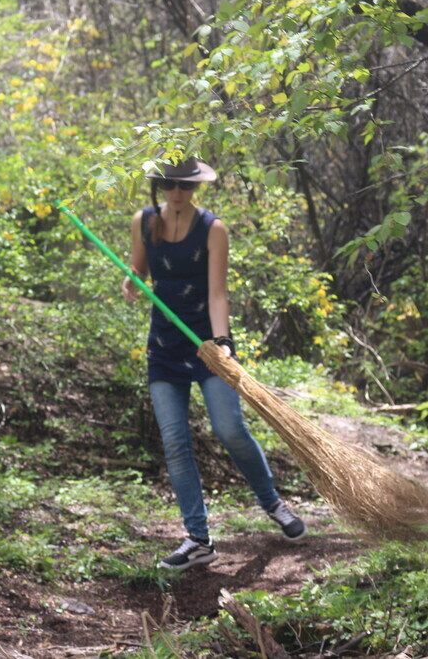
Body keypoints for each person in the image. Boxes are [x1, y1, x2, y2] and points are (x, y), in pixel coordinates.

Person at [122, 156, 306, 571]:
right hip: (163, 347)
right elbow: (138, 269)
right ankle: (198, 539)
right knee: (174, 440)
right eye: (170, 185)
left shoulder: (213, 228)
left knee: (229, 429)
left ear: (196, 187)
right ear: (159, 186)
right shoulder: (144, 221)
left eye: (186, 186)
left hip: (208, 346)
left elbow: (218, 293)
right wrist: (131, 282)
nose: (177, 193)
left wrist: (222, 344)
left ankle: (273, 504)